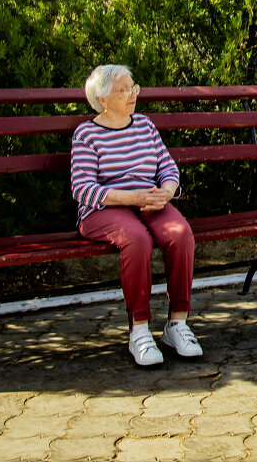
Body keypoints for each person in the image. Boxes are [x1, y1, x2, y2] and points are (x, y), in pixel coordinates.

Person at [70, 64, 202, 366]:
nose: (132, 94)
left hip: (149, 201)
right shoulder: (87, 134)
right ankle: (139, 330)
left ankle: (177, 324)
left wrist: (166, 192)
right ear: (103, 99)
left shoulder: (144, 125)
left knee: (181, 234)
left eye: (134, 87)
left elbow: (168, 169)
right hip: (104, 210)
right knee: (136, 239)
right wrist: (128, 197)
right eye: (124, 89)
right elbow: (82, 188)